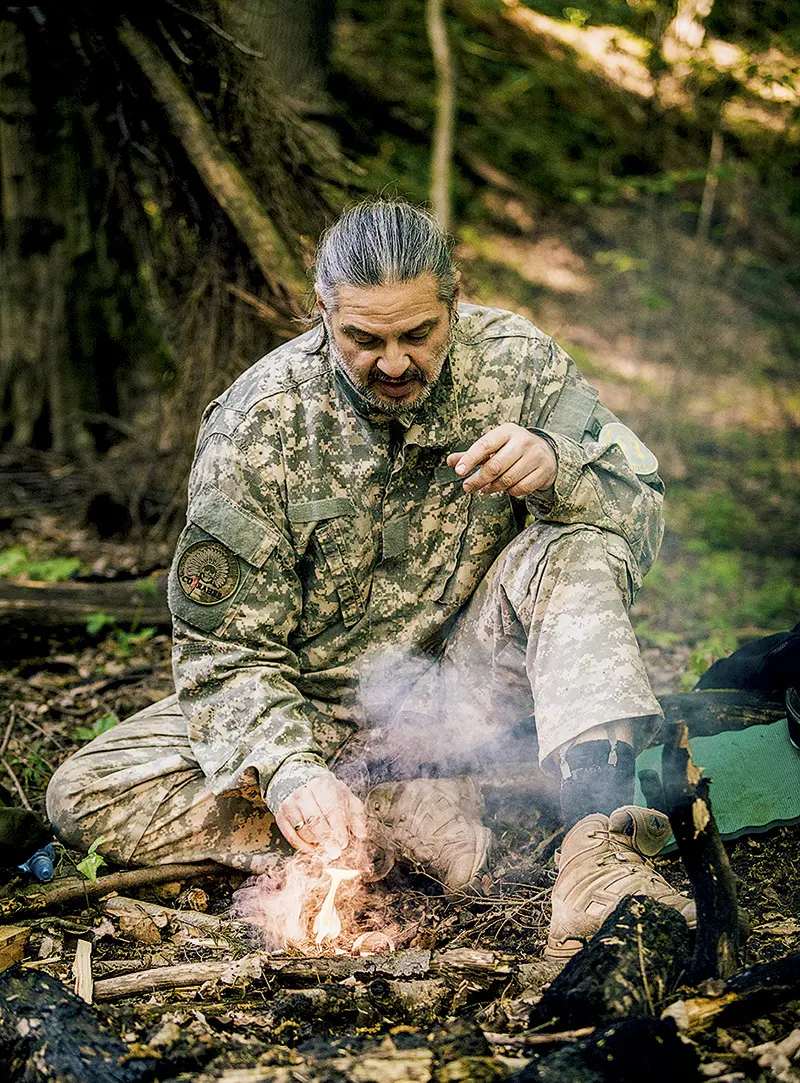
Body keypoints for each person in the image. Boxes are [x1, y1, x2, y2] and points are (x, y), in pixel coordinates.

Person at [47, 199, 695, 958]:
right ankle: (400, 813)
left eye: (419, 333)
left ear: (455, 298)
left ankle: (596, 845)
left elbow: (638, 520)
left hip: (470, 694)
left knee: (574, 541)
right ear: (320, 313)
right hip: (316, 706)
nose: (393, 363)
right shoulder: (262, 421)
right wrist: (290, 770)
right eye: (363, 338)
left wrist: (559, 467)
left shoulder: (520, 365)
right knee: (85, 791)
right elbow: (225, 653)